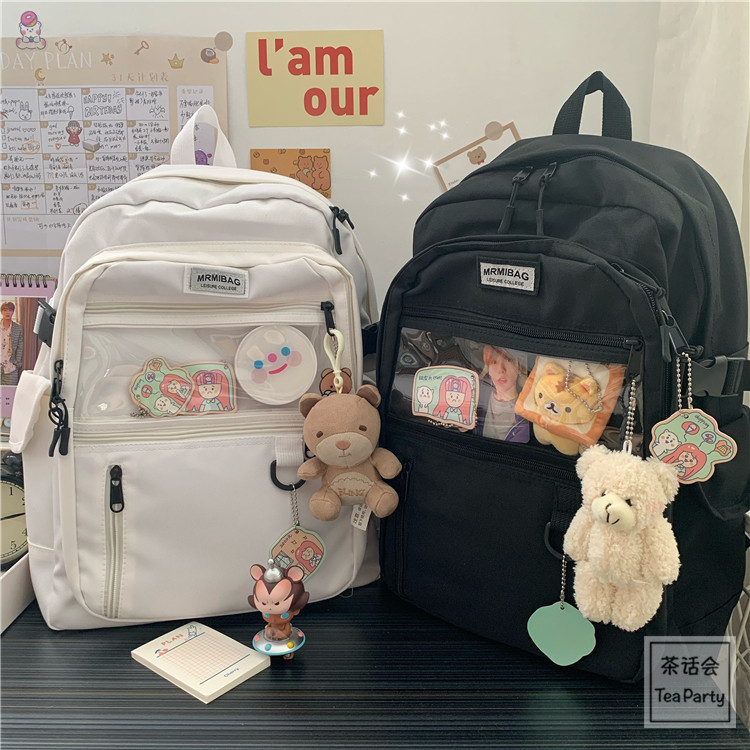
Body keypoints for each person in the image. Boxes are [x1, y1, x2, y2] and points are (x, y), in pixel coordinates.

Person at [476, 345, 529, 442]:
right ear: (488, 369)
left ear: (519, 366)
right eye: (494, 362)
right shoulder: (477, 397)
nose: (501, 369)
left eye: (508, 360)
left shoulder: (527, 413)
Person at [0, 301, 23, 386]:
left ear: (13, 312)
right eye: (5, 310)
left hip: (11, 366)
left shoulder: (18, 328)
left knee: (10, 391)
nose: (8, 312)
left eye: (10, 310)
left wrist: (17, 363)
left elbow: (20, 346)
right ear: (1, 311)